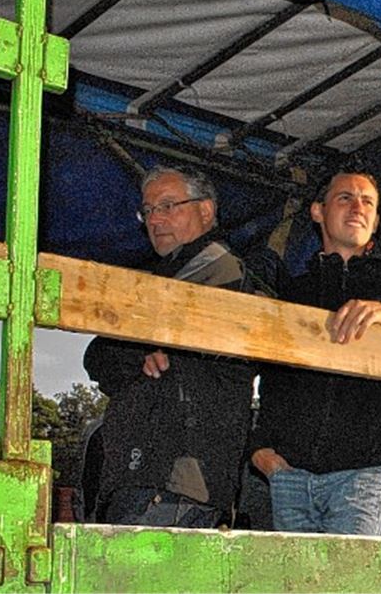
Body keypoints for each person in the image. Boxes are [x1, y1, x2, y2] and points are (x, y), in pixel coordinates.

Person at [249, 171, 381, 536]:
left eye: (368, 202)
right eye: (345, 197)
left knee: (348, 580)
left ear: (376, 221)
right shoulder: (294, 291)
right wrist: (261, 450)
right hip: (288, 471)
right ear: (318, 211)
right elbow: (266, 374)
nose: (358, 207)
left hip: (365, 469)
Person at [84, 166, 255, 527]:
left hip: (178, 483)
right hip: (140, 477)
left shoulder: (230, 275)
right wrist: (138, 354)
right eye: (148, 211)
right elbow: (97, 355)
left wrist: (140, 349)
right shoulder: (156, 279)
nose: (155, 219)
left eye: (167, 205)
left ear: (205, 210)